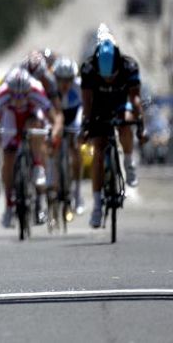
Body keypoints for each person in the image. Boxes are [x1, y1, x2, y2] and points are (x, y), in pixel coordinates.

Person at [80, 24, 145, 228]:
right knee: (98, 151)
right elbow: (87, 102)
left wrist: (140, 120)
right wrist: (86, 125)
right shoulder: (89, 68)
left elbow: (135, 100)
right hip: (98, 107)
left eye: (112, 76)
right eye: (104, 77)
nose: (108, 80)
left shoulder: (129, 66)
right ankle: (98, 205)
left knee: (126, 124)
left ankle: (128, 161)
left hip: (120, 104)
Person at [0, 68, 62, 228]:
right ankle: (9, 206)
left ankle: (37, 166)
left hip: (32, 115)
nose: (20, 99)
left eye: (24, 95)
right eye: (15, 95)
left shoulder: (36, 90)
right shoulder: (3, 93)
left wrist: (53, 134)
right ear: (10, 90)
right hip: (11, 118)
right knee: (8, 160)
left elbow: (53, 117)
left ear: (29, 89)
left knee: (36, 128)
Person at [52, 56, 85, 215]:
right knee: (52, 147)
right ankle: (54, 183)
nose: (65, 84)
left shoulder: (79, 87)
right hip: (57, 117)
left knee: (75, 146)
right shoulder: (51, 88)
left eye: (69, 79)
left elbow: (86, 108)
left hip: (74, 116)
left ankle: (77, 192)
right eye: (61, 79)